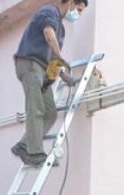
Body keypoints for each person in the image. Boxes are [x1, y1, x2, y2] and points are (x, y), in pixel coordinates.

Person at [11, 0, 88, 166]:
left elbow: (53, 57)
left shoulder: (61, 28)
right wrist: (61, 58)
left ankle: (24, 145)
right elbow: (48, 34)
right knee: (36, 108)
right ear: (70, 3)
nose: (78, 15)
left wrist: (65, 76)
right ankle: (35, 153)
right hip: (30, 64)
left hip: (42, 71)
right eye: (79, 10)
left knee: (50, 113)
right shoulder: (49, 12)